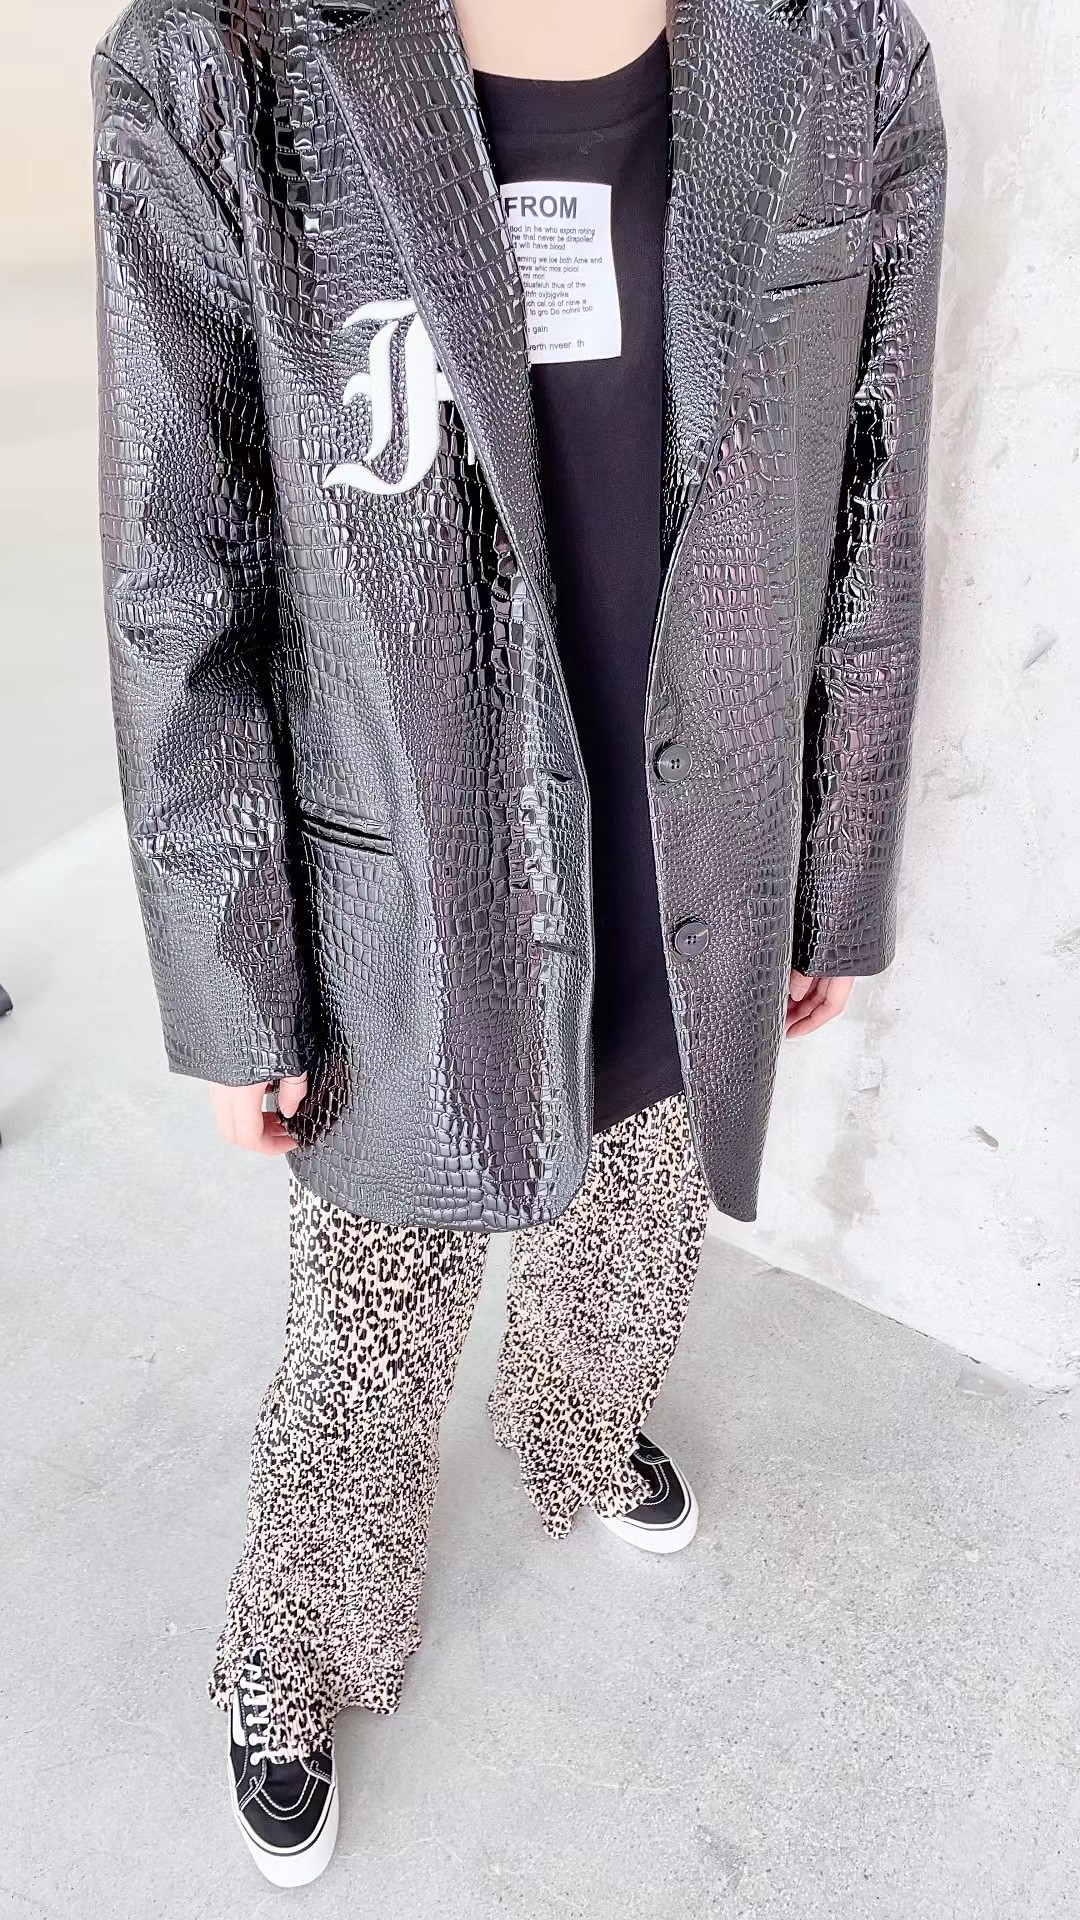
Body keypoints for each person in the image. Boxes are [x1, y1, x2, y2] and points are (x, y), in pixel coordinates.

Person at [92, 0, 946, 1885]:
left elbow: (873, 505)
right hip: (413, 876)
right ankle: (299, 1644)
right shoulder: (221, 66)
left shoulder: (844, 54)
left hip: (695, 853)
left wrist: (833, 866)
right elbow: (181, 562)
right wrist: (233, 979)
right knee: (371, 1330)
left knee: (633, 1227)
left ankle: (578, 1422)